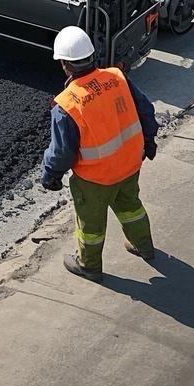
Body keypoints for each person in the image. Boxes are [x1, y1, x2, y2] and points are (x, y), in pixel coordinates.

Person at [40, 26, 159, 282]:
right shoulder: (117, 77)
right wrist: (149, 140)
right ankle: (144, 246)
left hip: (95, 179)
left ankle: (89, 265)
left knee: (90, 225)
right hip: (129, 164)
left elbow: (62, 151)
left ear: (64, 64)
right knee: (130, 206)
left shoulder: (67, 104)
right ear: (93, 56)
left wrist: (50, 174)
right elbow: (145, 109)